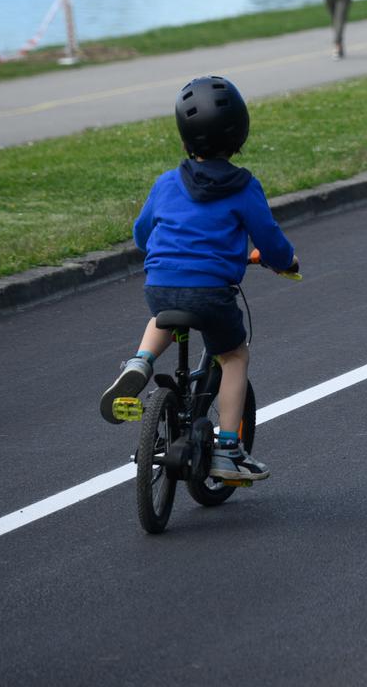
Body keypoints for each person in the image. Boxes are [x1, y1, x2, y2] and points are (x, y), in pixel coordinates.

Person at [99, 76, 297, 482]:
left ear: (184, 139)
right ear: (240, 135)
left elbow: (141, 233)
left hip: (161, 284)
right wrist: (285, 261)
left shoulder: (167, 183)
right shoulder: (244, 187)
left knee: (163, 317)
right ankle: (228, 449)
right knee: (233, 356)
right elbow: (270, 240)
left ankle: (140, 361)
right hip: (211, 293)